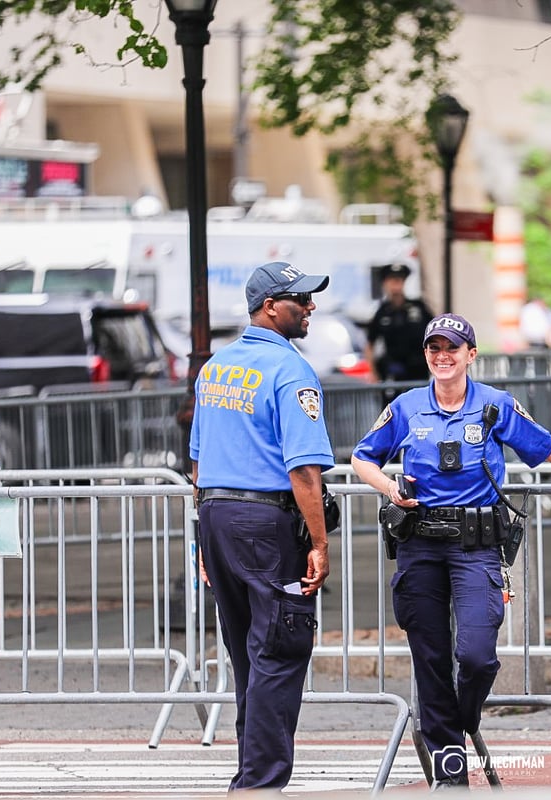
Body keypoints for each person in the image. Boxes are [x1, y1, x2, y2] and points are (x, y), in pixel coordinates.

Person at [349, 313, 551, 789]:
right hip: (419, 545)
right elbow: (361, 457)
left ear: (471, 354)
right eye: (434, 348)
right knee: (429, 657)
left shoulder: (495, 406)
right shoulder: (407, 407)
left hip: (475, 547)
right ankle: (451, 772)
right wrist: (389, 487)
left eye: (452, 347)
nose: (442, 356)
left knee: (476, 655)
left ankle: (460, 721)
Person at [189, 261, 335, 792]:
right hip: (266, 523)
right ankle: (259, 783)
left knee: (249, 652)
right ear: (271, 306)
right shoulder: (291, 371)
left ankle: (250, 773)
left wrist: (201, 540)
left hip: (218, 518)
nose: (311, 307)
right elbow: (303, 470)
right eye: (302, 298)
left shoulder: (216, 367)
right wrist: (319, 544)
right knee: (279, 648)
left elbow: (198, 465)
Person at [365, 262, 435, 385]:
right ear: (385, 283)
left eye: (399, 280)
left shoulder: (418, 308)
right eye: (392, 281)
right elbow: (370, 344)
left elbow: (435, 334)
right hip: (393, 372)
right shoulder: (382, 312)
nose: (395, 285)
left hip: (418, 370)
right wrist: (373, 373)